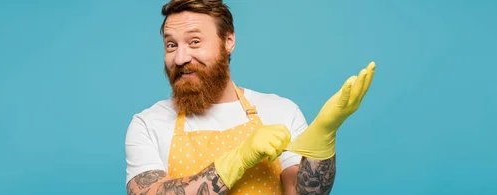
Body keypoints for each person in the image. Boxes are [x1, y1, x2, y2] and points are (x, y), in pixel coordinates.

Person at [125, 0, 376, 194]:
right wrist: (238, 159)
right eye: (171, 45)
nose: (180, 58)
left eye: (194, 42)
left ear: (228, 41)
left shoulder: (281, 111)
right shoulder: (147, 124)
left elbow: (303, 193)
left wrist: (324, 137)